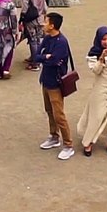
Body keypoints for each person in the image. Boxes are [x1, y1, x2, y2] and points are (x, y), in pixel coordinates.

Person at [77, 26, 107, 156]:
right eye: (103, 39)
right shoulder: (94, 52)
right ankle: (88, 142)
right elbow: (95, 71)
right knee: (96, 115)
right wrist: (101, 57)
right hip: (100, 87)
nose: (106, 42)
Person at [36, 12, 77, 161]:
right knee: (49, 111)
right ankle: (54, 137)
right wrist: (45, 57)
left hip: (56, 83)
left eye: (45, 22)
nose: (43, 24)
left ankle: (68, 145)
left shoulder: (61, 42)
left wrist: (46, 57)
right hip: (45, 81)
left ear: (52, 25)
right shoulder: (47, 38)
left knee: (59, 115)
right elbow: (36, 55)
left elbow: (54, 62)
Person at [19, 0, 47, 71]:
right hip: (40, 20)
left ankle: (35, 63)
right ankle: (38, 59)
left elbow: (24, 9)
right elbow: (45, 9)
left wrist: (21, 20)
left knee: (33, 41)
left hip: (30, 21)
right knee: (39, 40)